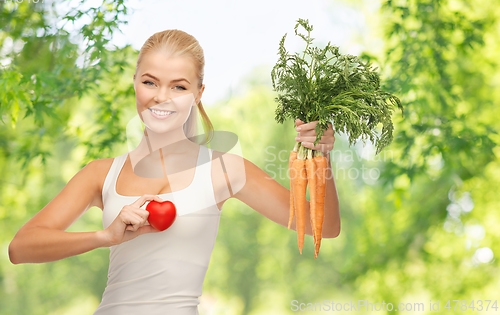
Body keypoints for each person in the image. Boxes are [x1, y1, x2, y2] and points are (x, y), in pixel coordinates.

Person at [8, 29, 341, 314]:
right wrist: (104, 237)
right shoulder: (100, 174)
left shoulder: (224, 169)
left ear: (198, 94)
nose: (161, 98)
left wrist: (322, 158)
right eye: (150, 82)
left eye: (179, 87)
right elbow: (21, 247)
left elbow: (324, 227)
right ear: (135, 83)